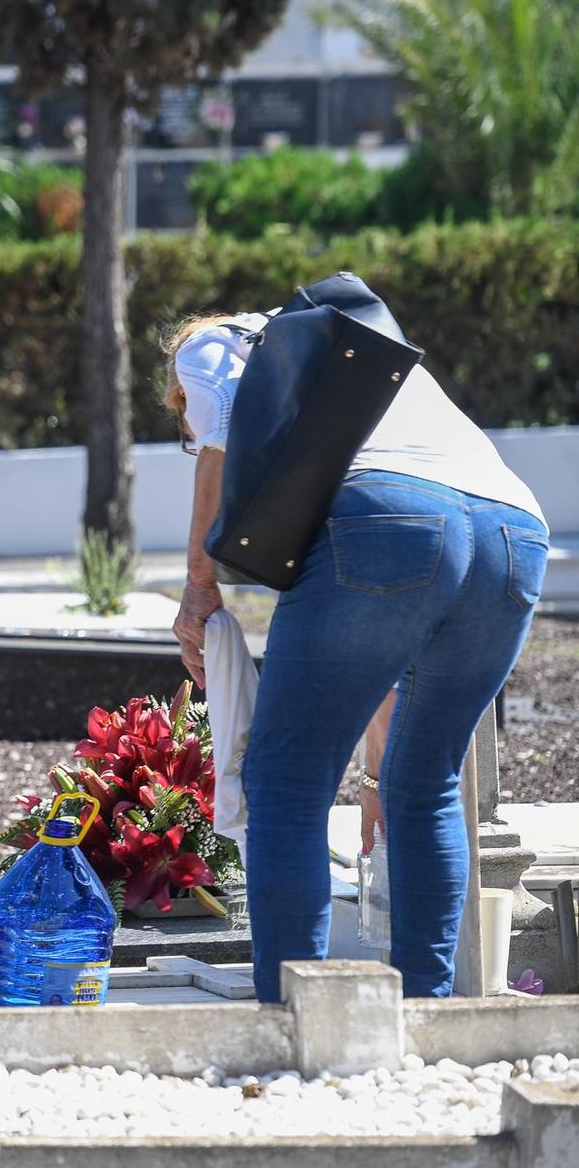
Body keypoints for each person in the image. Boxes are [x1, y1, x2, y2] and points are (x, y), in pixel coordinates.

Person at [164, 311, 548, 1001]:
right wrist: (375, 777)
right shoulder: (350, 348)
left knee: (285, 783)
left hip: (385, 514)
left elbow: (220, 442)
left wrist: (198, 588)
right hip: (514, 531)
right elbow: (376, 656)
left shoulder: (212, 345)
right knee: (424, 784)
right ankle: (428, 1015)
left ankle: (293, 1015)